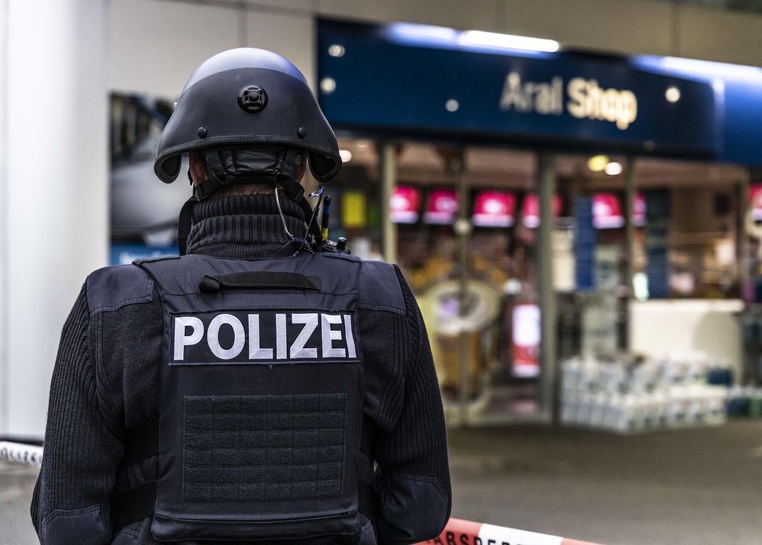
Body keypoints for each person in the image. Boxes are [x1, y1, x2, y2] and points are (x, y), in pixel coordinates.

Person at [31, 47, 451, 544]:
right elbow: (421, 506)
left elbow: (67, 522)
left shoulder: (115, 304)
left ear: (194, 168)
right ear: (303, 168)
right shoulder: (382, 299)